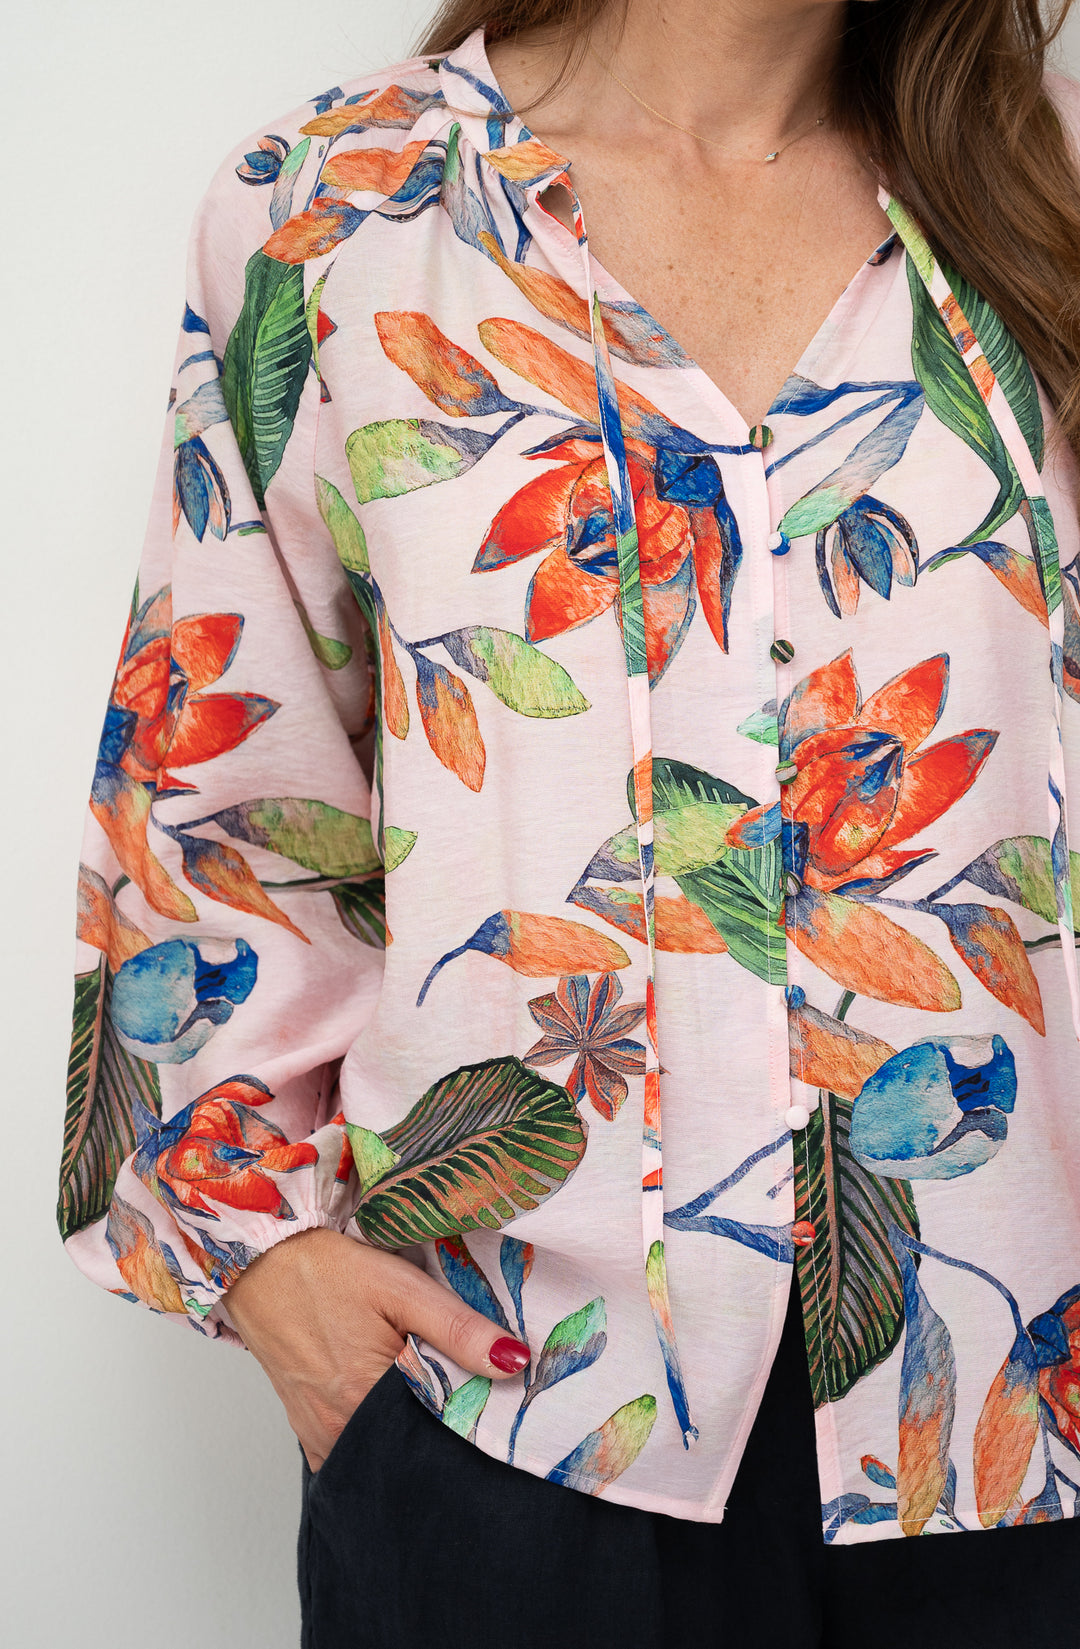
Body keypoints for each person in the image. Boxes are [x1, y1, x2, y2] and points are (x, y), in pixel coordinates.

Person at [59, 0, 1080, 1643]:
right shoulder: (339, 207)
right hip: (510, 1431)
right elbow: (212, 788)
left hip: (1014, 1439)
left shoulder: (1046, 203)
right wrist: (265, 1263)